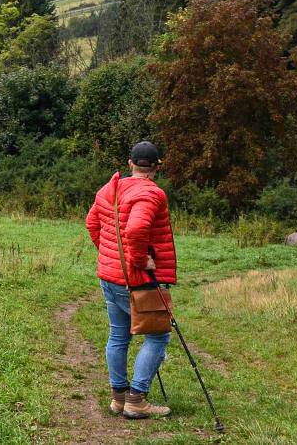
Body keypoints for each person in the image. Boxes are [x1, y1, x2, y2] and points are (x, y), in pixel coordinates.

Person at [85, 141, 176, 419]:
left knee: (118, 335)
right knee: (159, 336)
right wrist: (137, 260)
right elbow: (136, 229)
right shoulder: (151, 193)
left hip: (110, 277)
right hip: (135, 279)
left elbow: (91, 223)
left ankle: (118, 398)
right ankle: (136, 399)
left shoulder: (108, 189)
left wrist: (111, 255)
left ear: (130, 163)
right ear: (157, 167)